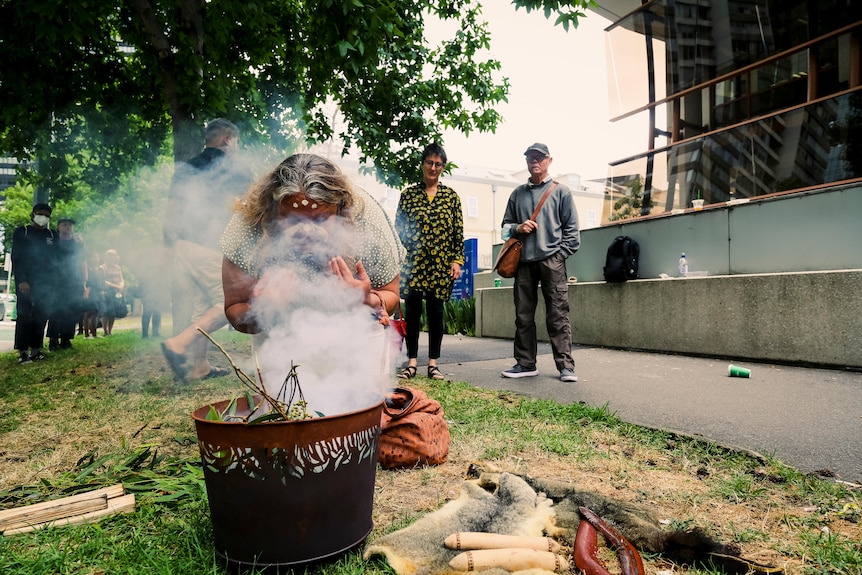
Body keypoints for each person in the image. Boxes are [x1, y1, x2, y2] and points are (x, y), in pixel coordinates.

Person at [221, 153, 403, 336]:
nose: (306, 232)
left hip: (354, 343)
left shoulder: (367, 222)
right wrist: (265, 308)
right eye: (293, 219)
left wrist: (366, 300)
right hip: (277, 345)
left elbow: (391, 295)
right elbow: (234, 310)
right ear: (271, 211)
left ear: (341, 210)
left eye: (320, 219)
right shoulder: (249, 223)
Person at [160, 118, 253, 380]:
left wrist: (167, 246)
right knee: (228, 304)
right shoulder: (235, 168)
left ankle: (200, 366)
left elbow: (172, 211)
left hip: (184, 246)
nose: (236, 146)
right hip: (211, 246)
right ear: (226, 139)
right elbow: (245, 209)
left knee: (203, 307)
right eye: (236, 141)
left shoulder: (186, 168)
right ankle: (178, 345)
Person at [500, 143, 580, 382]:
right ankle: (525, 364)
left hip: (551, 261)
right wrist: (518, 227)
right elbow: (505, 229)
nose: (534, 161)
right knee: (523, 316)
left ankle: (566, 366)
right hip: (523, 263)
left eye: (539, 157)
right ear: (526, 161)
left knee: (558, 314)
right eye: (530, 157)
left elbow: (573, 232)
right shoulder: (517, 194)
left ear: (549, 161)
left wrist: (559, 255)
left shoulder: (561, 192)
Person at [395, 143, 464, 380]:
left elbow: (458, 233)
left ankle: (433, 363)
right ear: (423, 164)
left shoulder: (451, 197)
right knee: (412, 314)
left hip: (441, 266)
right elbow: (399, 228)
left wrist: (457, 261)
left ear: (442, 167)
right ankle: (411, 362)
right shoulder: (409, 195)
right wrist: (411, 245)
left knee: (436, 313)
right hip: (414, 264)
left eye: (438, 164)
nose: (433, 167)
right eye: (429, 162)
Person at [11, 203, 57, 364]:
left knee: (41, 315)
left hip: (46, 283)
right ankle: (22, 352)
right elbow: (16, 258)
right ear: (33, 214)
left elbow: (57, 259)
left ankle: (36, 350)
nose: (43, 217)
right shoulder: (21, 232)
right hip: (26, 282)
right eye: (40, 214)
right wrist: (22, 280)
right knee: (24, 315)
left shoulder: (52, 235)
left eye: (46, 215)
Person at [46, 218, 87, 351]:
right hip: (56, 280)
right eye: (64, 225)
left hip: (73, 281)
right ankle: (53, 339)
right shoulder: (53, 240)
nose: (68, 227)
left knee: (71, 311)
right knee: (55, 310)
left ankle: (66, 339)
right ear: (58, 227)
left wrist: (84, 280)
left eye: (70, 225)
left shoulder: (78, 243)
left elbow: (82, 261)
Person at [100, 249, 125, 336]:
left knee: (113, 313)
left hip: (116, 292)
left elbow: (121, 278)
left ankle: (110, 330)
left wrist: (121, 285)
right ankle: (105, 330)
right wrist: (114, 285)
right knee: (107, 312)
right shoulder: (103, 268)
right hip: (107, 291)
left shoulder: (117, 267)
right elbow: (103, 281)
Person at [82, 251, 105, 339]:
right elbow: (88, 281)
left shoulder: (100, 269)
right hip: (90, 291)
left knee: (96, 312)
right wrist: (87, 291)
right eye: (94, 257)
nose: (96, 259)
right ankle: (86, 334)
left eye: (97, 256)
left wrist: (102, 290)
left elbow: (102, 280)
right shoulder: (88, 269)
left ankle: (94, 333)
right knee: (88, 312)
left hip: (98, 292)